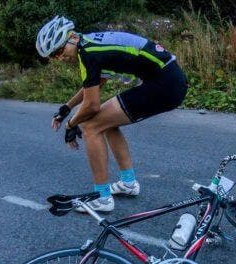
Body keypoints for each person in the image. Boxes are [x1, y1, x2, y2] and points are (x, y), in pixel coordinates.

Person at [36, 16, 188, 212]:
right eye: (53, 56)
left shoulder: (88, 54)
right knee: (106, 122)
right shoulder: (90, 44)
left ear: (71, 37)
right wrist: (67, 108)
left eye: (59, 50)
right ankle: (128, 183)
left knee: (91, 126)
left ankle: (102, 198)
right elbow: (98, 83)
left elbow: (92, 105)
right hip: (168, 80)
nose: (59, 57)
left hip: (164, 85)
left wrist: (71, 125)